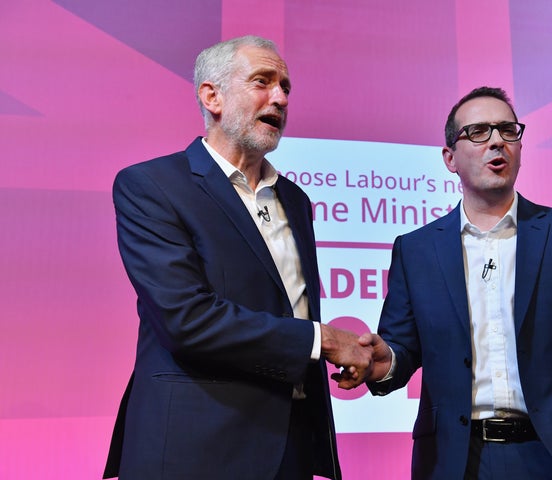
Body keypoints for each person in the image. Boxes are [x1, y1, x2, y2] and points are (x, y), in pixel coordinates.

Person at [103, 35, 371, 480]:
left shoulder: (297, 200)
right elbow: (186, 318)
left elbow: (288, 307)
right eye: (263, 82)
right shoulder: (152, 186)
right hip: (196, 449)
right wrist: (321, 339)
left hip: (291, 446)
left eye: (286, 86)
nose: (281, 97)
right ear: (212, 96)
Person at [337, 87, 552, 479]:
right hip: (456, 460)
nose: (497, 140)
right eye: (478, 131)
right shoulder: (416, 250)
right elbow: (403, 348)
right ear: (450, 158)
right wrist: (383, 363)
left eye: (508, 130)